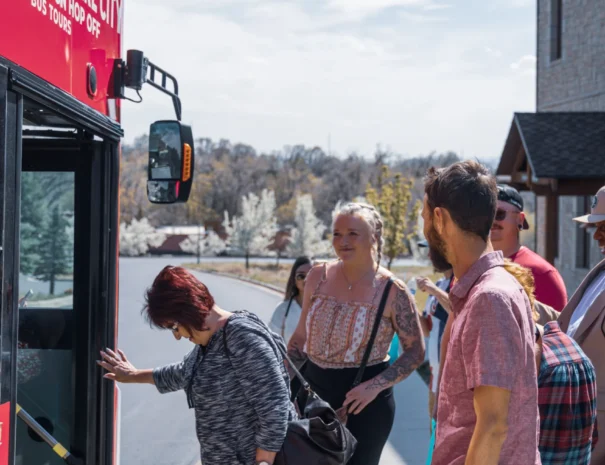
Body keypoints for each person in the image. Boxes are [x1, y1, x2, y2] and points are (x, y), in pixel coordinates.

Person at [98, 266, 296, 465]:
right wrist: (132, 375)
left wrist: (264, 461)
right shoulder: (209, 342)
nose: (177, 336)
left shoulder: (240, 335)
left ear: (188, 311)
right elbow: (182, 373)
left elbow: (274, 405)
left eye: (174, 327)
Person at [287, 202, 425, 465]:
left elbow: (415, 351)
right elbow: (300, 338)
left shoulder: (391, 290)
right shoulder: (317, 276)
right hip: (314, 396)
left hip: (365, 404)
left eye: (353, 233)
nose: (343, 241)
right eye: (337, 234)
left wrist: (373, 388)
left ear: (373, 237)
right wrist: (284, 385)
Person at [423, 161, 540, 465]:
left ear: (439, 218)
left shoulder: (489, 299)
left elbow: (493, 426)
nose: (424, 230)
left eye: (424, 217)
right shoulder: (486, 290)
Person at [558, 185, 605, 464]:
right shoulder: (600, 272)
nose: (597, 236)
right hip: (581, 424)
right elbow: (575, 328)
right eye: (596, 227)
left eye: (604, 227)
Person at [491, 184, 567, 313]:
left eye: (499, 213)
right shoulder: (472, 266)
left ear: (520, 219)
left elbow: (559, 323)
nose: (492, 220)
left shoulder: (542, 274)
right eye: (486, 214)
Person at [415, 240, 454, 432]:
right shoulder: (439, 283)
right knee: (434, 435)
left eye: (433, 250)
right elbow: (427, 330)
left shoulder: (459, 282)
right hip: (435, 375)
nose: (430, 256)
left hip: (452, 378)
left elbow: (458, 310)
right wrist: (411, 303)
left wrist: (433, 290)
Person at [268, 256, 312, 344]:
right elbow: (272, 344)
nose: (306, 280)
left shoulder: (328, 309)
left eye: (311, 275)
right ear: (294, 279)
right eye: (301, 276)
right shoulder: (282, 310)